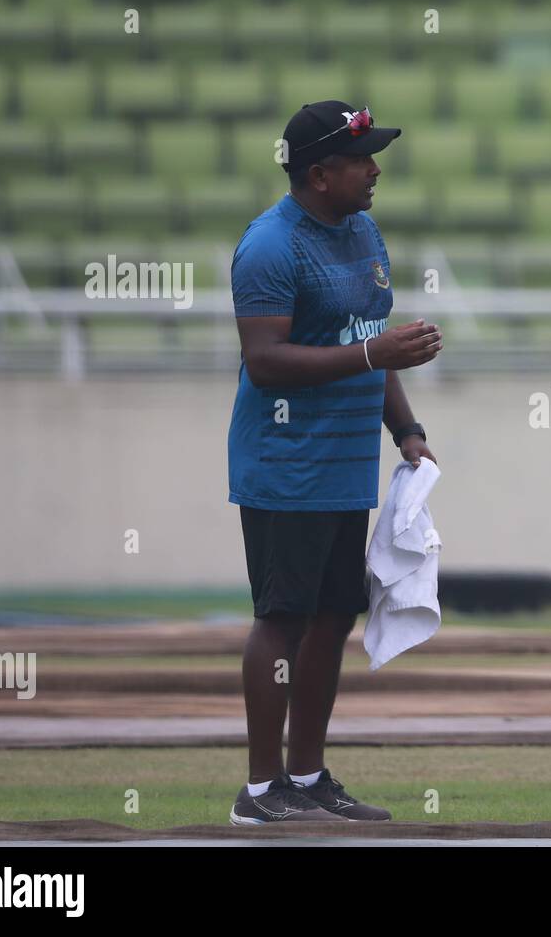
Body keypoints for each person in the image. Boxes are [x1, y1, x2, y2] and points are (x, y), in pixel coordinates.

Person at [226, 100, 442, 824]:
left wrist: (406, 428)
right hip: (286, 463)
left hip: (347, 462)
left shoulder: (362, 230)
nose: (375, 169)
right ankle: (260, 791)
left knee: (332, 618)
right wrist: (374, 353)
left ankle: (309, 775)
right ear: (320, 173)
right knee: (281, 619)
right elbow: (265, 362)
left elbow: (364, 333)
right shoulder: (269, 246)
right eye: (361, 160)